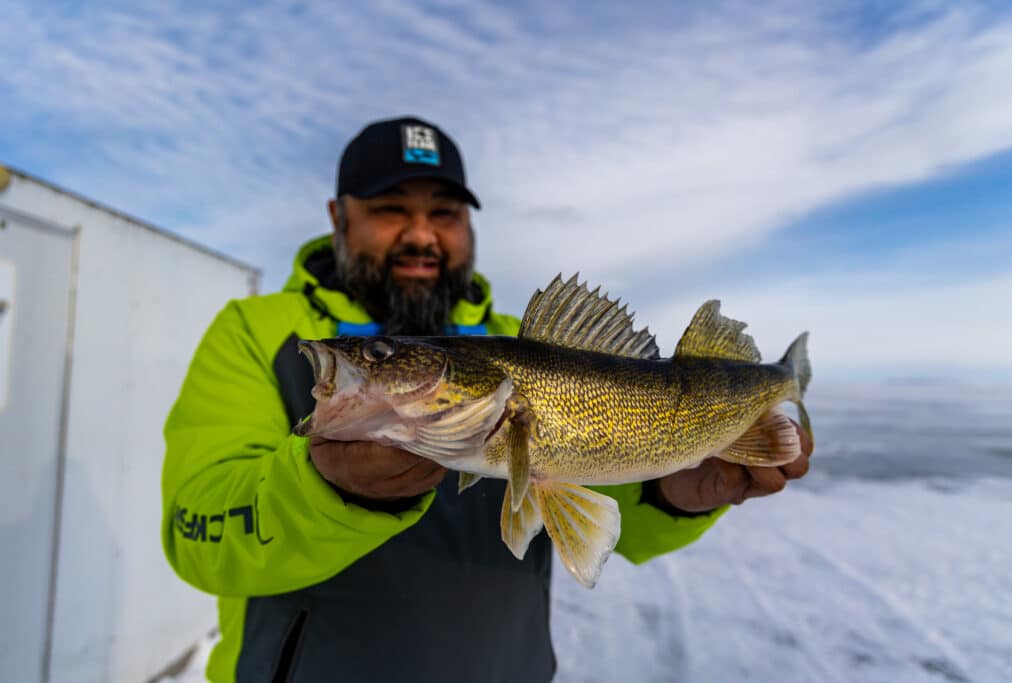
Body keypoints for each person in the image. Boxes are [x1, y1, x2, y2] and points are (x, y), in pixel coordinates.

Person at [162, 116, 812, 682]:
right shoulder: (257, 332)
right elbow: (199, 533)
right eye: (391, 208)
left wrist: (669, 495)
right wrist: (329, 487)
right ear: (339, 216)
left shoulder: (514, 341)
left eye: (443, 212)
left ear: (468, 224)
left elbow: (612, 513)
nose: (421, 234)